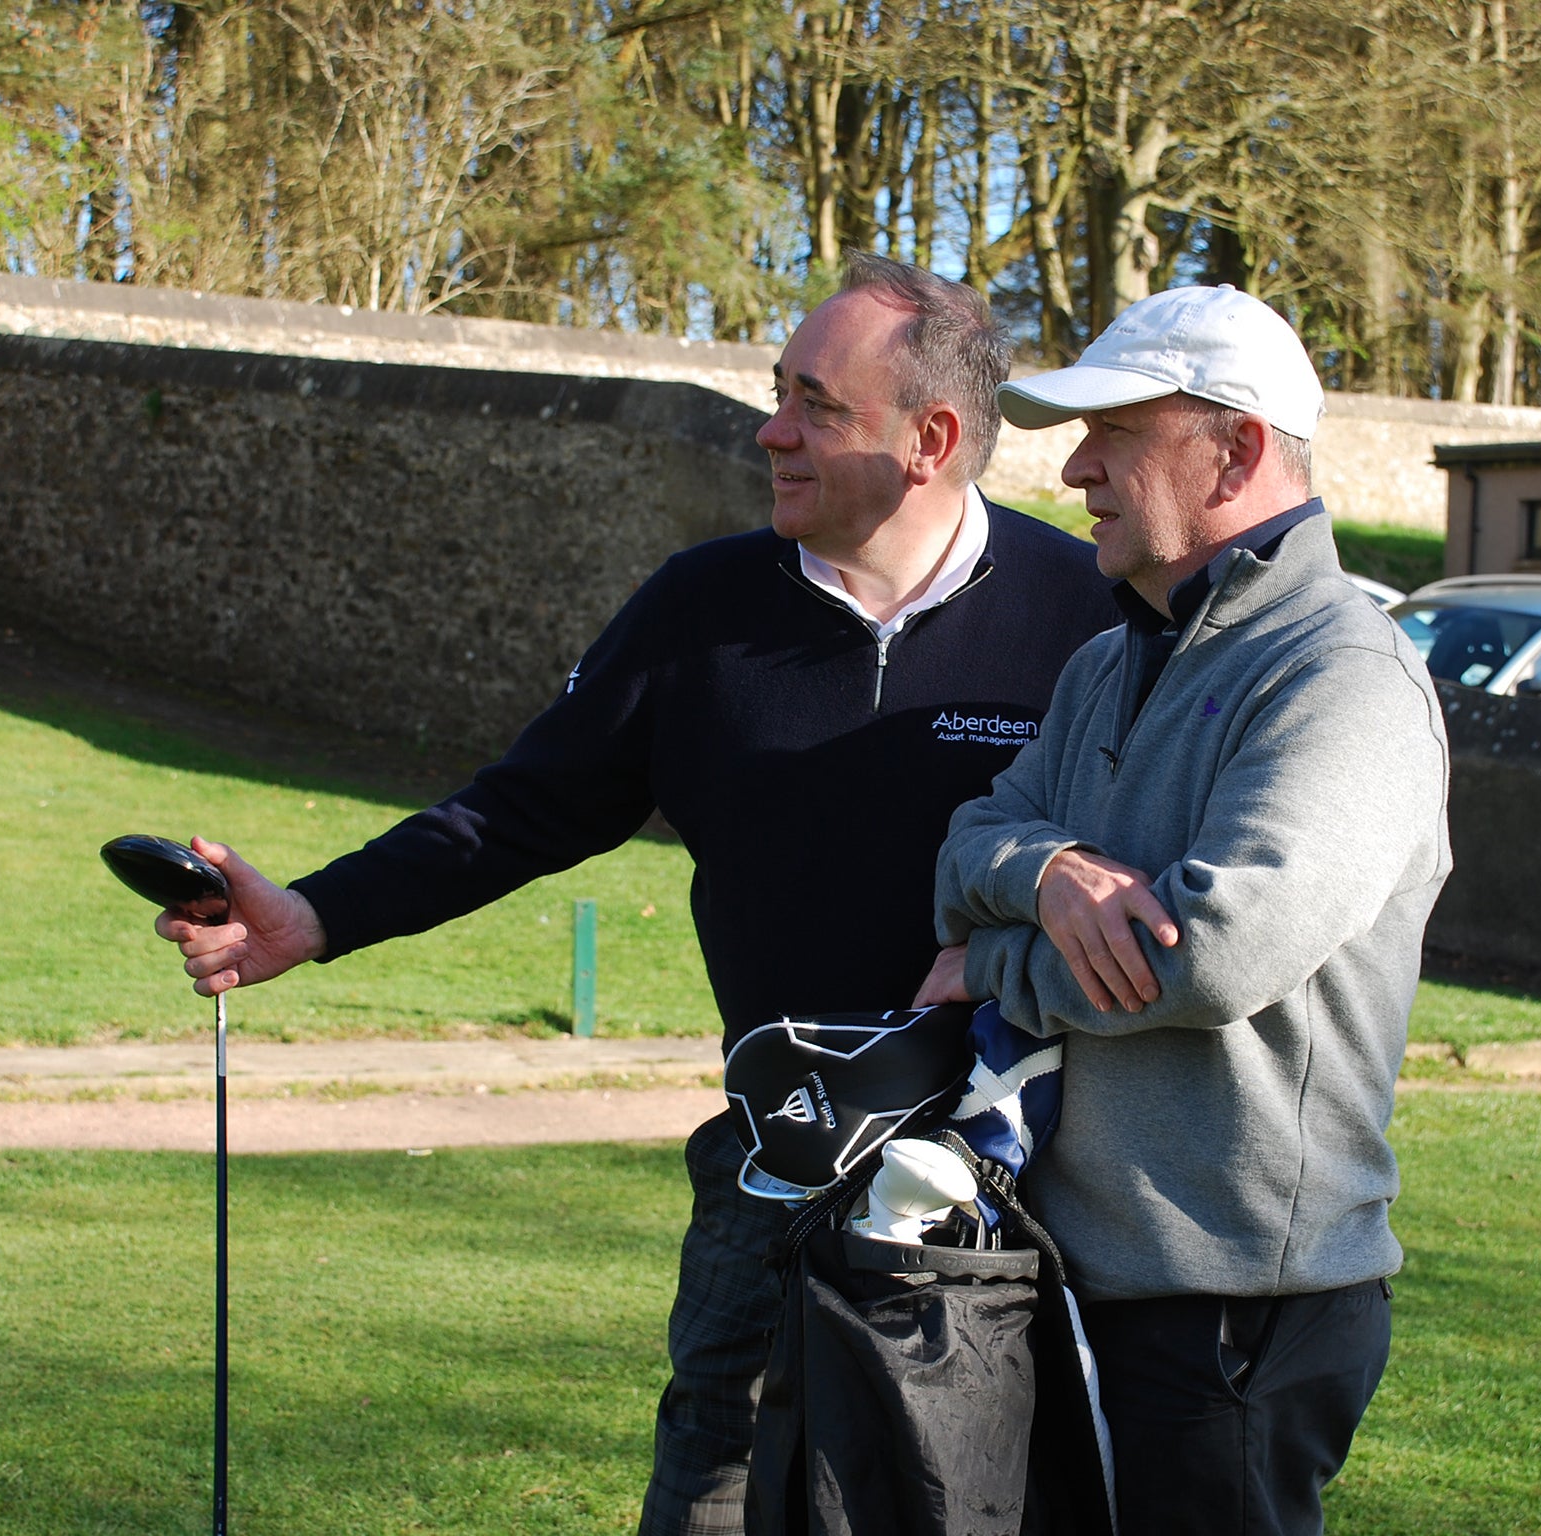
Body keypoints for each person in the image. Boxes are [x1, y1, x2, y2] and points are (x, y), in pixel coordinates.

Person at [153, 252, 1119, 1535]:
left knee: (986, 1505)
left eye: (814, 406)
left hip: (1018, 1187)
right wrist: (318, 917)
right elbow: (518, 812)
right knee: (712, 1494)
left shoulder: (1089, 617)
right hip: (767, 1176)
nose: (769, 430)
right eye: (777, 391)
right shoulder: (696, 609)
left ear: (929, 439)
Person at [914, 284, 1452, 1535]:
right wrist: (1046, 878)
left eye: (1117, 432)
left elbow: (1207, 957)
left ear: (1238, 450)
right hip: (1065, 1272)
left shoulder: (1345, 676)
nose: (1076, 467)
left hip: (1233, 1309)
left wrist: (990, 967)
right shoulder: (1108, 659)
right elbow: (967, 846)